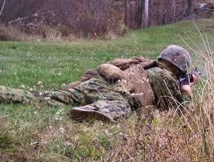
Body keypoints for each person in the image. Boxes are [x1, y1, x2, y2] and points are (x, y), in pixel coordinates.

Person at [0, 45, 198, 122]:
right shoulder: (163, 76)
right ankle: (94, 112)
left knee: (44, 98)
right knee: (123, 106)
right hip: (114, 95)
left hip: (94, 84)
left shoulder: (143, 64)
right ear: (179, 67)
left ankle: (6, 93)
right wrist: (187, 90)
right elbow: (179, 110)